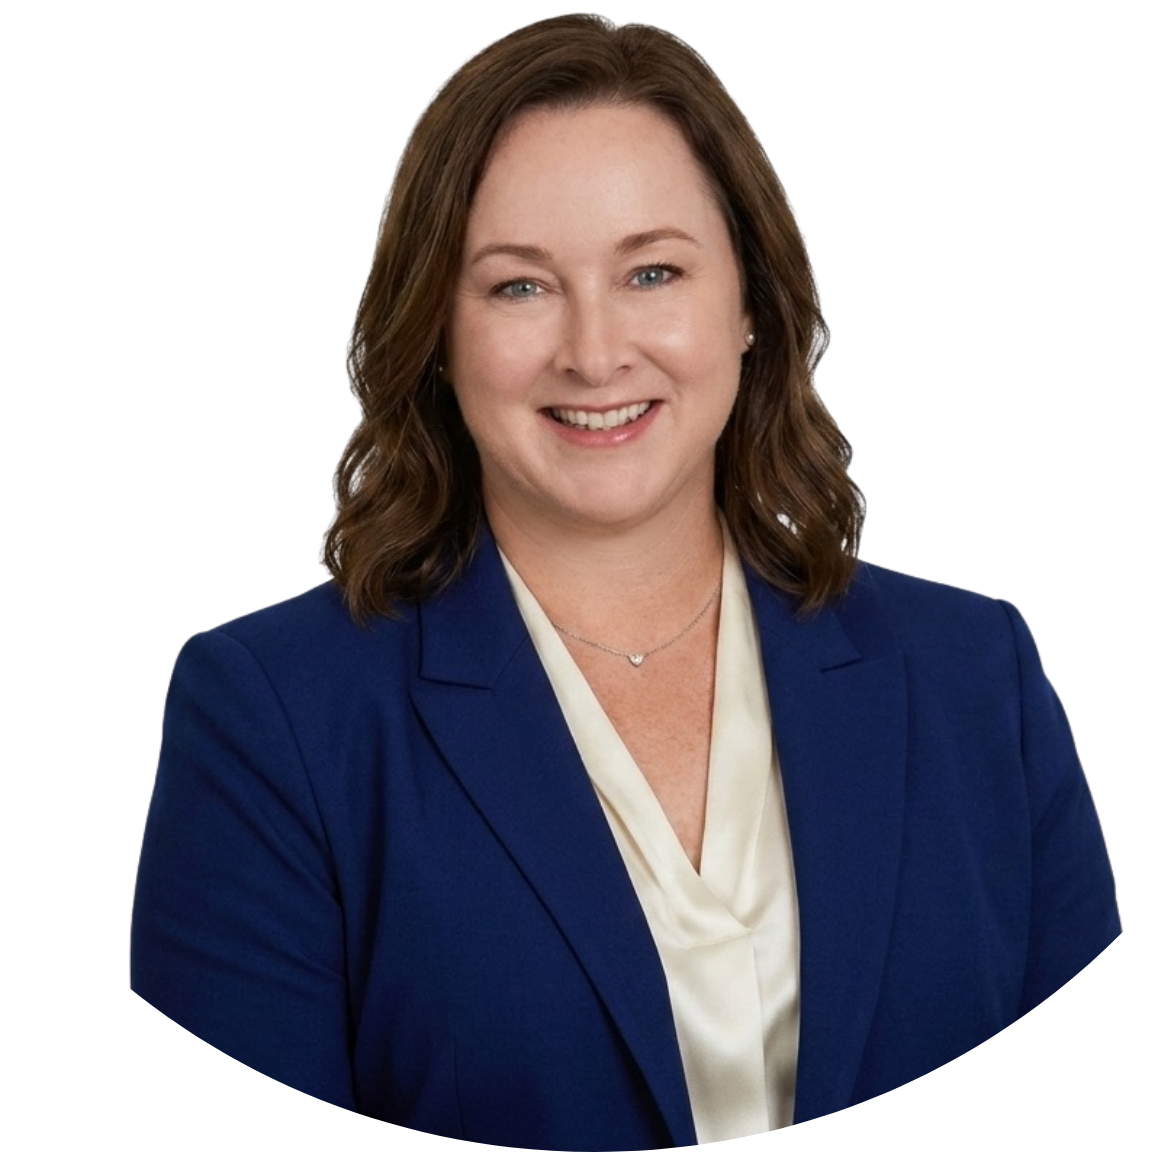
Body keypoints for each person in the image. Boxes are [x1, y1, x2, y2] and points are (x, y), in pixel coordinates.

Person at [129, 14, 1121, 1146]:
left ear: (750, 304)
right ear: (435, 337)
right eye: (518, 288)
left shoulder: (974, 675)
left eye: (652, 271)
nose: (595, 352)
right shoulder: (272, 716)